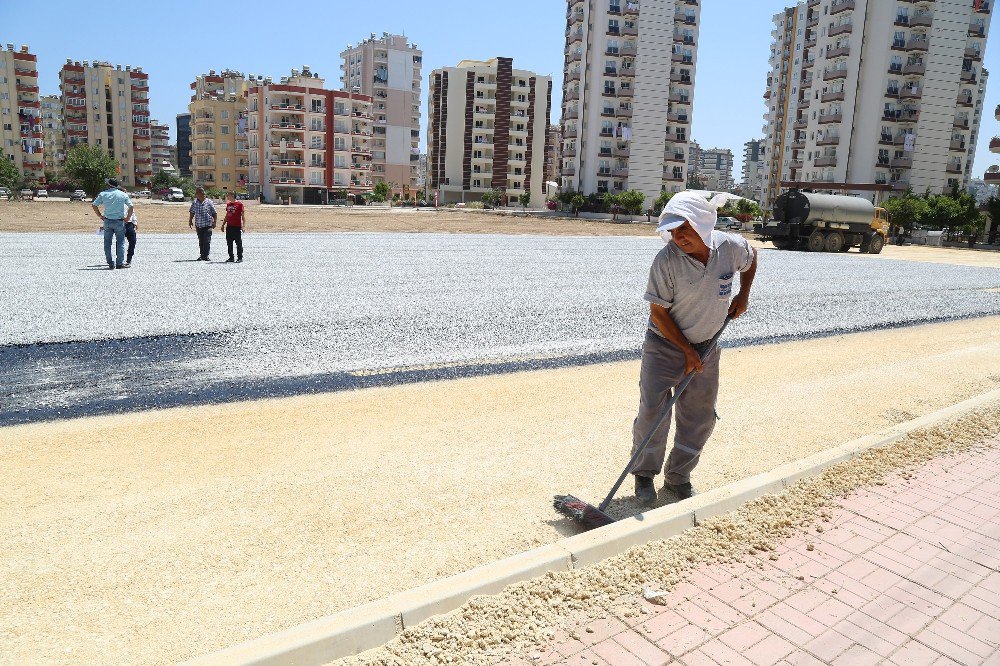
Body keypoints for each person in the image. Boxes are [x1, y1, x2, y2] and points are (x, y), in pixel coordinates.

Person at [631, 191, 758, 506]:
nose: (678, 237)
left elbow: (752, 257)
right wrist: (687, 352)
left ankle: (679, 477)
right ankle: (644, 475)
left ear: (702, 225)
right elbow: (658, 313)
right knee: (653, 412)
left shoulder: (730, 248)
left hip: (708, 345)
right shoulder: (666, 261)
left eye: (683, 229)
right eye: (672, 231)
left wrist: (743, 294)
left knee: (698, 416)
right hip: (664, 345)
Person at [91, 178, 134, 270]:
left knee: (107, 243)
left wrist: (100, 216)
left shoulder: (103, 194)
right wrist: (127, 218)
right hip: (119, 221)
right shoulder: (122, 194)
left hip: (107, 221)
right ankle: (119, 263)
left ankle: (110, 263)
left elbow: (94, 205)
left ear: (109, 185)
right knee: (120, 243)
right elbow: (131, 206)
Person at [188, 187, 217, 261]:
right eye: (198, 193)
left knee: (207, 240)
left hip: (208, 225)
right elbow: (192, 212)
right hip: (199, 225)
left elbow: (214, 212)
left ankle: (206, 255)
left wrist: (214, 222)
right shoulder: (195, 202)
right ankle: (202, 255)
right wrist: (190, 220)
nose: (203, 194)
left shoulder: (209, 202)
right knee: (201, 241)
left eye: (202, 192)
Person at [221, 192, 246, 263]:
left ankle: (240, 258)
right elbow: (227, 215)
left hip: (237, 227)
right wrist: (223, 225)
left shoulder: (240, 204)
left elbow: (243, 216)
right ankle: (231, 257)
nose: (227, 196)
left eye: (228, 195)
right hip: (229, 226)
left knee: (238, 243)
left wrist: (243, 226)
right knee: (229, 243)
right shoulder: (228, 204)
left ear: (232, 195)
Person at [118, 186, 138, 267]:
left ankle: (129, 259)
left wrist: (135, 222)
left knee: (133, 241)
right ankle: (119, 260)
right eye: (124, 192)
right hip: (119, 224)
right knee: (120, 243)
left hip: (129, 225)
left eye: (126, 192)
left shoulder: (128, 202)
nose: (126, 194)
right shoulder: (115, 203)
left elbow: (133, 213)